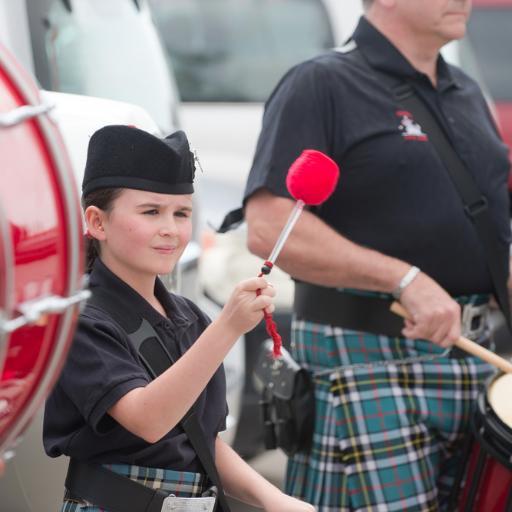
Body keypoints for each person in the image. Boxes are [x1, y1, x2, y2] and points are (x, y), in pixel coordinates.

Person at [243, 0, 511, 510]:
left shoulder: (467, 91)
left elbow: (493, 227)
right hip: (366, 360)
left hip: (475, 357)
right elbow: (270, 226)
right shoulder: (321, 84)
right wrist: (404, 278)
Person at [43, 125, 316, 512]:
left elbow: (203, 441)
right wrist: (228, 327)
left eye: (182, 213)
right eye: (151, 211)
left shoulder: (189, 316)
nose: (171, 229)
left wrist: (276, 501)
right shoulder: (81, 318)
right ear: (97, 222)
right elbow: (147, 418)